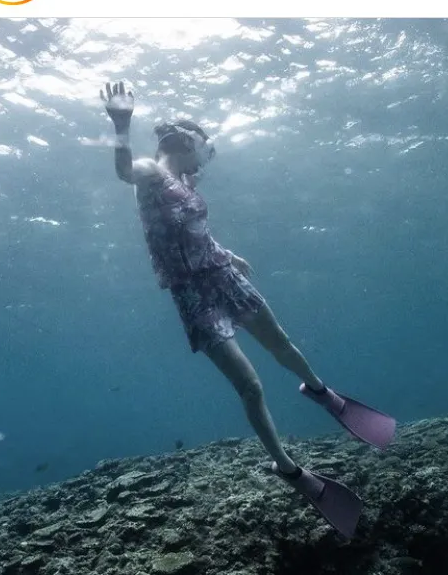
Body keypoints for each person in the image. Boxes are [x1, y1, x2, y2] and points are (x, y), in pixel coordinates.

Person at [100, 81, 396, 539]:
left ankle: (321, 393)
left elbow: (193, 229)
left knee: (282, 345)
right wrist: (121, 122)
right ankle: (290, 470)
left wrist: (227, 251)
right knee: (250, 386)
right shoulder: (151, 174)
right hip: (192, 294)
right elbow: (123, 170)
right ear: (184, 142)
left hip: (223, 275)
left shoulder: (186, 181)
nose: (206, 156)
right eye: (203, 146)